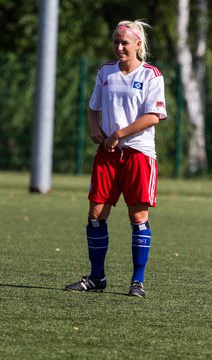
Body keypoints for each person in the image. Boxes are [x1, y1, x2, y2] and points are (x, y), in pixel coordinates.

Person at [65, 19, 167, 297]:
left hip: (138, 154)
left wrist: (119, 133)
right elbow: (92, 107)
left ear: (138, 45)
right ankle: (97, 277)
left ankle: (138, 282)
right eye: (116, 42)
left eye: (125, 42)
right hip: (108, 153)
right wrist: (95, 127)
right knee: (96, 214)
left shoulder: (151, 75)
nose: (119, 47)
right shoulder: (105, 71)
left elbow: (153, 116)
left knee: (138, 216)